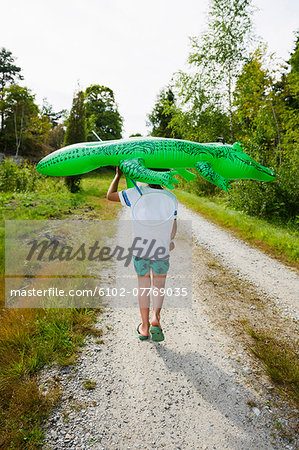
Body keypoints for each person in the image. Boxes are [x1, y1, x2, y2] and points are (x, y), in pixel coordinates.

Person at [107, 167, 178, 342]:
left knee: (143, 286)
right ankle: (156, 318)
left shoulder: (136, 193)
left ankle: (144, 327)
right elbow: (172, 227)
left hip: (141, 249)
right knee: (159, 286)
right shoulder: (171, 197)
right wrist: (169, 241)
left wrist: (118, 175)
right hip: (161, 249)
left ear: (145, 173)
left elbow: (110, 195)